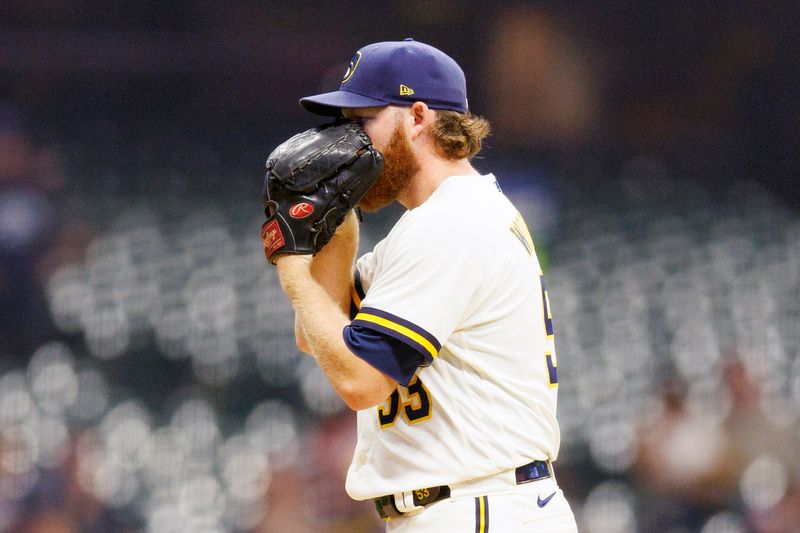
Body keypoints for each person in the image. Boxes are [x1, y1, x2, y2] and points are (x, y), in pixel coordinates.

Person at [273, 38, 577, 532]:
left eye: (362, 122)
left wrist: (291, 264)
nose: (347, 145)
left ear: (417, 118)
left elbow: (360, 380)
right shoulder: (438, 221)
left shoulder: (453, 222)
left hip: (480, 508)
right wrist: (334, 217)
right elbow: (319, 332)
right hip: (469, 507)